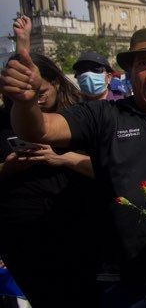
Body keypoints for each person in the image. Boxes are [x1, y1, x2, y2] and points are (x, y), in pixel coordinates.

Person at [1, 26, 146, 307]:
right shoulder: (105, 116)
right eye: (143, 64)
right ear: (129, 74)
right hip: (122, 280)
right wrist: (25, 102)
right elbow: (40, 129)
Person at [0, 17, 98, 307]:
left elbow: (111, 168)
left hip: (81, 232)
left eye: (40, 94)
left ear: (56, 81)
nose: (35, 103)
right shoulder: (3, 123)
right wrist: (8, 167)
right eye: (21, 97)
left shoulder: (83, 119)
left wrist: (63, 159)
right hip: (23, 238)